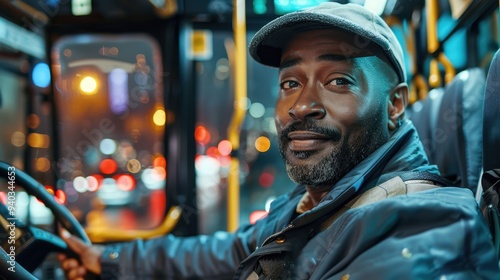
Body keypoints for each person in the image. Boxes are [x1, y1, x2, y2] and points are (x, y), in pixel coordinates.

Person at [58, 2, 500, 279]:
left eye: (338, 80)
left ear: (395, 104)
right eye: (290, 83)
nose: (302, 106)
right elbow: (226, 252)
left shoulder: (423, 231)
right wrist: (109, 261)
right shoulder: (315, 201)